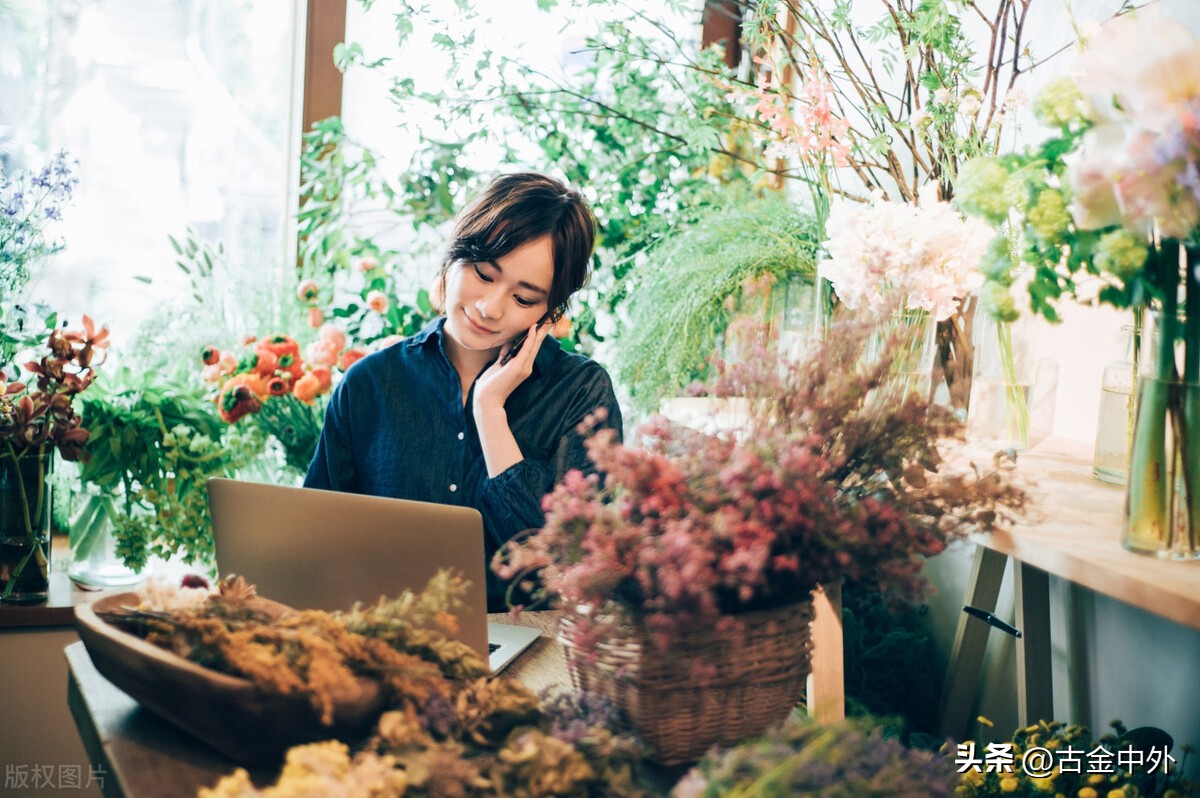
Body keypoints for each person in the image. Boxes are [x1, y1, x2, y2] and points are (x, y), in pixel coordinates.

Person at [304, 172, 623, 610]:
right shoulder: (371, 385)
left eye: (524, 299)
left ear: (551, 311)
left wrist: (490, 412)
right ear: (451, 259)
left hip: (531, 653)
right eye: (484, 274)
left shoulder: (581, 393)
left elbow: (571, 564)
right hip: (385, 639)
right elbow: (316, 543)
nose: (490, 308)